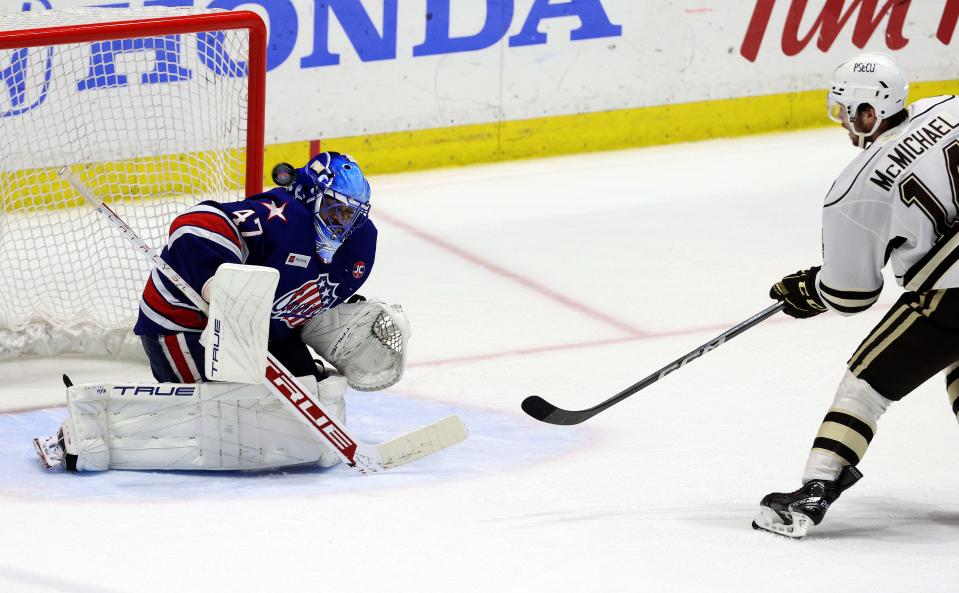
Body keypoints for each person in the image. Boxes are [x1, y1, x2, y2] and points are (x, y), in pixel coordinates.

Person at [33, 151, 411, 472]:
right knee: (225, 410)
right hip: (183, 324)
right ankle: (83, 427)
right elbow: (192, 227)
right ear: (309, 196)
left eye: (352, 215)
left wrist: (337, 327)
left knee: (305, 397)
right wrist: (215, 281)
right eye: (334, 210)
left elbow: (306, 304)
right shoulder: (279, 218)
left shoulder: (360, 246)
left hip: (259, 332)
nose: (343, 225)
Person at [753, 52, 959, 537]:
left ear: (869, 113)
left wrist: (811, 289)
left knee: (863, 387)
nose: (844, 121)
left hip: (951, 296)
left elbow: (851, 294)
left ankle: (813, 492)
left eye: (848, 110)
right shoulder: (950, 107)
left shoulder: (857, 186)